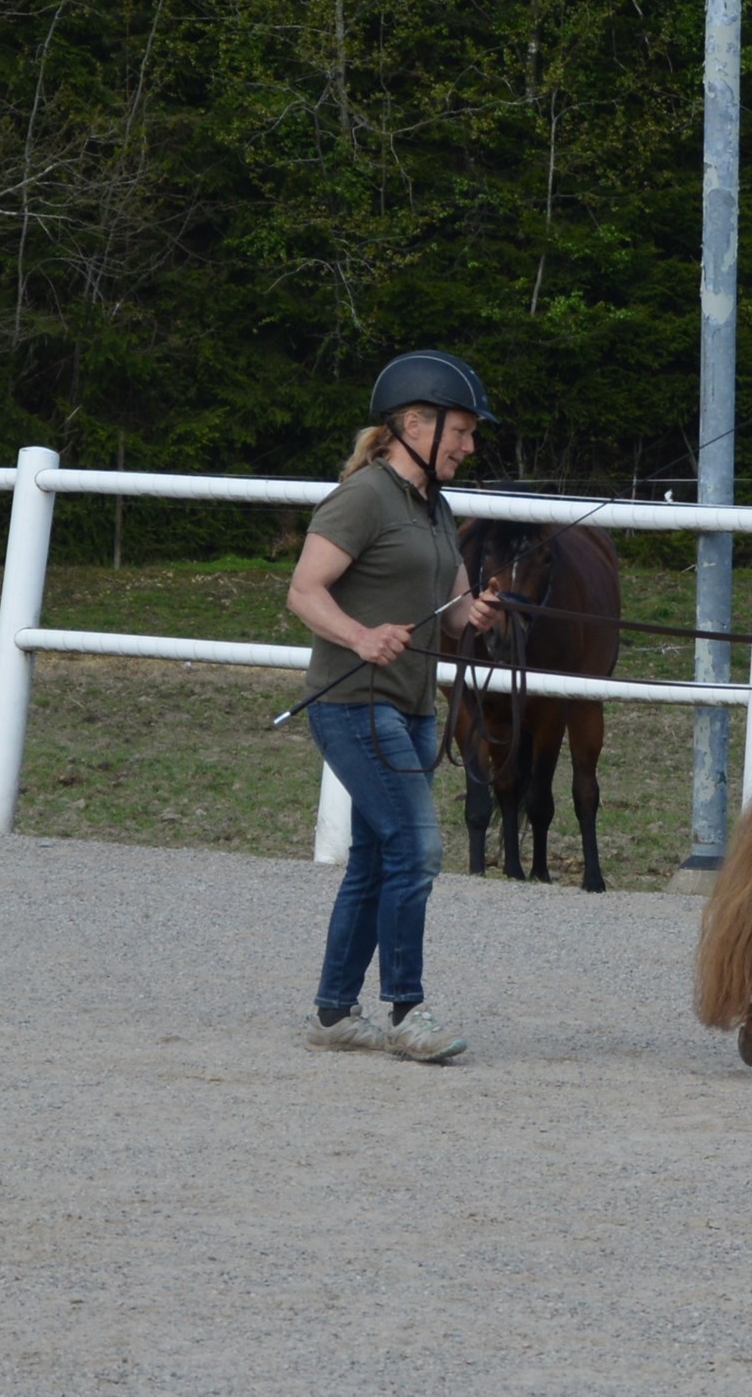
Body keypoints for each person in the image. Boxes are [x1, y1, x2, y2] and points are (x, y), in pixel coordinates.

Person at [287, 349, 501, 1062]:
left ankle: (332, 1013)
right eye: (461, 433)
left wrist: (480, 614)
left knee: (377, 858)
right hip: (352, 700)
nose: (469, 447)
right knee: (417, 848)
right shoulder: (364, 497)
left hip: (412, 705)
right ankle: (407, 1011)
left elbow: (453, 612)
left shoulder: (436, 509)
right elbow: (304, 591)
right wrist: (359, 634)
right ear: (415, 423)